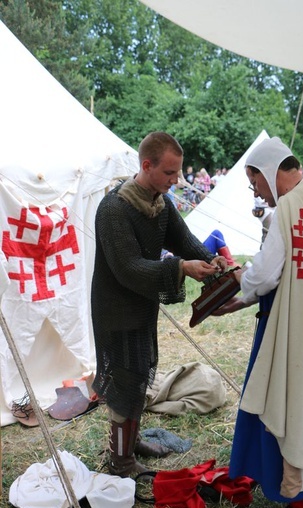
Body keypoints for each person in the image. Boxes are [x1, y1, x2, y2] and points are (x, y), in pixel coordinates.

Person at [213, 136, 303, 508]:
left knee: (296, 404)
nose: (257, 193)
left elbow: (264, 276)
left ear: (269, 174)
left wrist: (239, 277)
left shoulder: (291, 207)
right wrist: (240, 301)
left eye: (255, 183)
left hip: (299, 330)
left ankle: (301, 500)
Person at [91, 131, 227, 478]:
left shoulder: (159, 204)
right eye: (169, 173)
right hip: (115, 309)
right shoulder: (114, 209)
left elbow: (185, 241)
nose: (176, 180)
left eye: (178, 172)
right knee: (125, 379)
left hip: (141, 306)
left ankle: (129, 442)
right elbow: (127, 268)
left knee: (140, 373)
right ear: (147, 166)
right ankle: (120, 460)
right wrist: (181, 268)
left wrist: (215, 261)